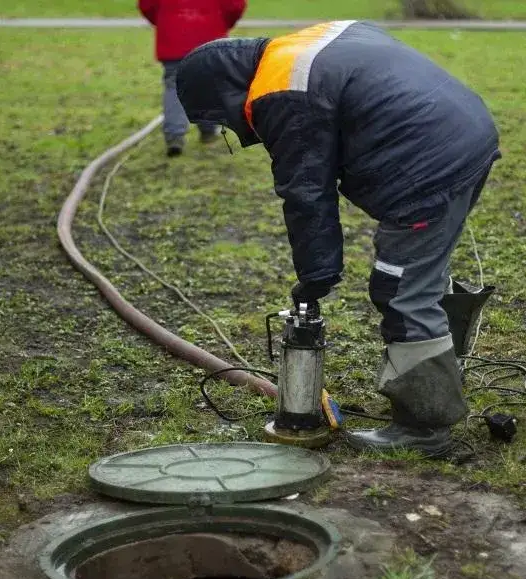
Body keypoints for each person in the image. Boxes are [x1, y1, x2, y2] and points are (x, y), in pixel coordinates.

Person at [174, 21, 501, 456]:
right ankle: (440, 380)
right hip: (466, 132)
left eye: (222, 119)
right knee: (420, 274)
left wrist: (315, 277)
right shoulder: (298, 47)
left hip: (428, 163)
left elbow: (307, 193)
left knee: (401, 290)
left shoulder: (281, 93)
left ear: (225, 93)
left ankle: (426, 429)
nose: (234, 130)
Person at [138, 0, 247, 156]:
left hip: (174, 40)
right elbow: (235, 6)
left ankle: (174, 136)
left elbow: (147, 5)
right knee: (208, 86)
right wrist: (223, 22)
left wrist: (165, 21)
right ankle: (208, 130)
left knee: (174, 88)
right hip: (210, 38)